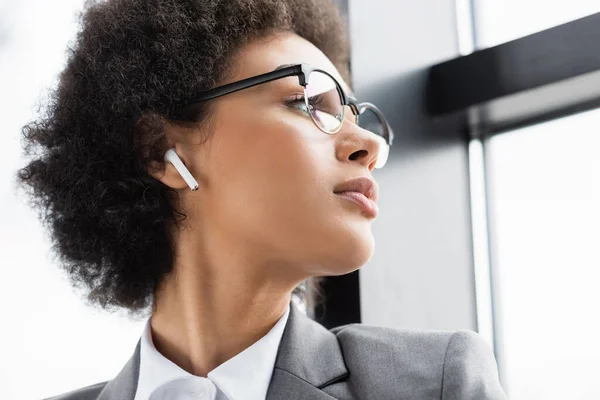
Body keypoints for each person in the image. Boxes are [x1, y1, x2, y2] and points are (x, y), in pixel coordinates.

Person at [17, 0, 507, 399]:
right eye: (309, 102)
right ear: (160, 152)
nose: (370, 145)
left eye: (358, 115)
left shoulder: (431, 383)